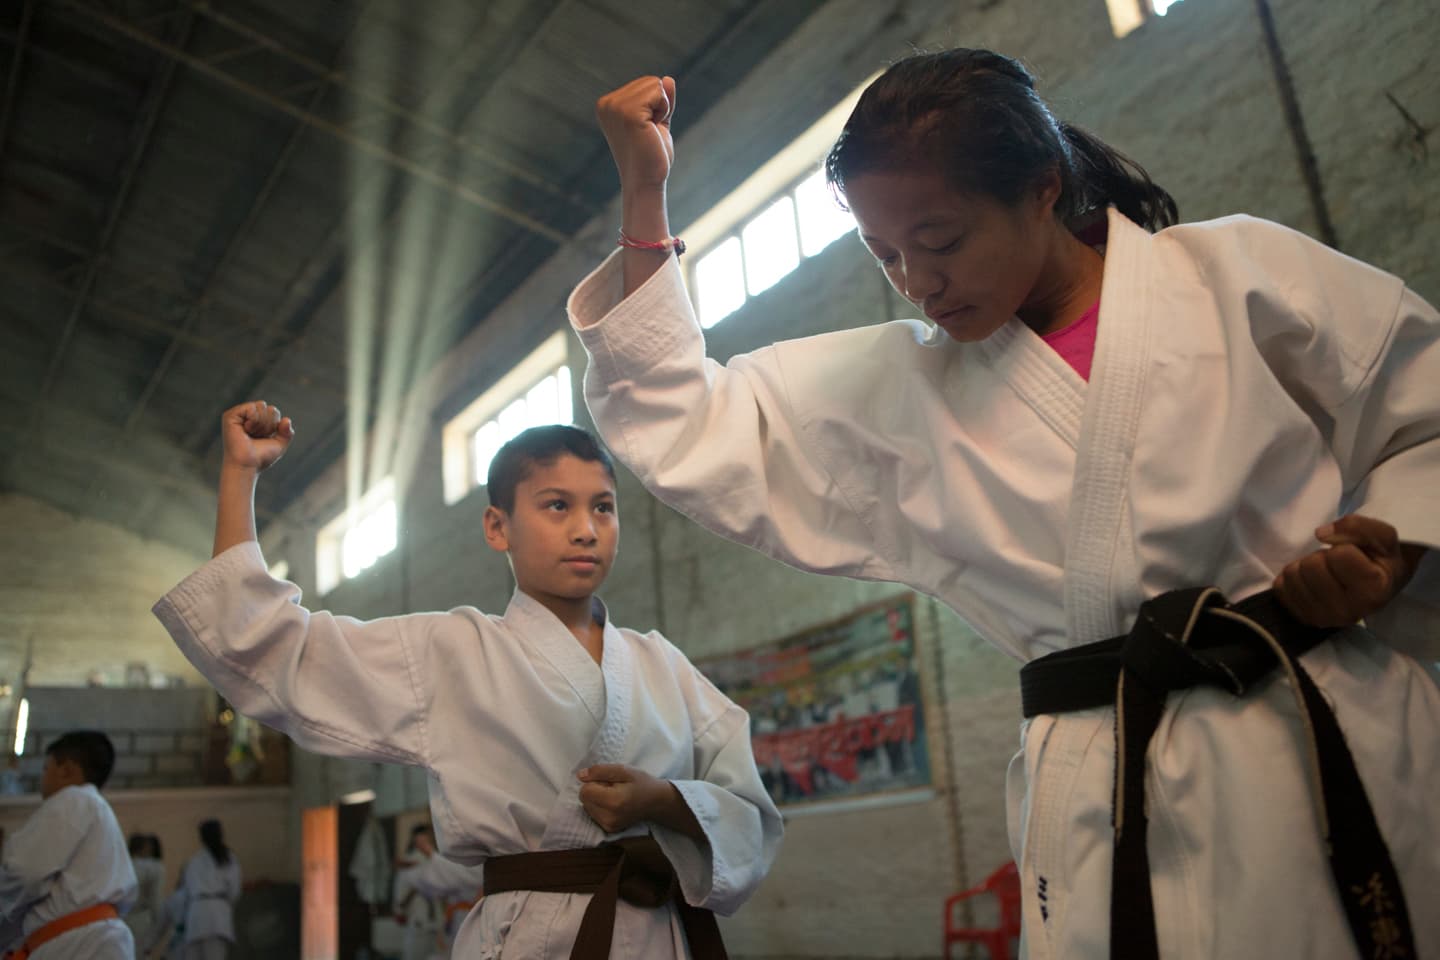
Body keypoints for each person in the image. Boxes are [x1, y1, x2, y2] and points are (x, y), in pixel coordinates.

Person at [570, 50, 1440, 960]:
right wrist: (643, 193)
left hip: (1320, 730)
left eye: (940, 240)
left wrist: (1390, 555)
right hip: (1108, 782)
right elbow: (680, 418)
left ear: (1041, 190)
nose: (916, 280)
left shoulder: (1235, 276)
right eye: (885, 254)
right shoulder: (901, 391)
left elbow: (1420, 415)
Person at [152, 416, 783, 959]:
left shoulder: (661, 665)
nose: (587, 528)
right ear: (496, 526)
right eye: (557, 505)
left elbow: (749, 813)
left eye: (604, 507)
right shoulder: (450, 651)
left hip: (657, 936)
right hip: (527, 938)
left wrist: (665, 801)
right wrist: (240, 476)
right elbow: (277, 646)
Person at [0, 731, 138, 958]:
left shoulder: (73, 798)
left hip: (77, 942)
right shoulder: (97, 810)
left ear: (66, 770)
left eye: (46, 768)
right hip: (95, 938)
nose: (42, 778)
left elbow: (25, 871)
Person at [176, 820, 241, 960]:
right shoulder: (228, 858)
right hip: (218, 915)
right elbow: (234, 891)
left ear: (201, 838)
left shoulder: (193, 861)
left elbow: (186, 893)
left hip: (196, 914)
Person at [391, 826, 442, 960]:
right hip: (419, 924)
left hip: (435, 924)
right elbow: (400, 905)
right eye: (422, 840)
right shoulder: (409, 862)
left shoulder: (436, 860)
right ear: (416, 841)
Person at [125, 834, 166, 955]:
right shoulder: (154, 867)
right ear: (144, 848)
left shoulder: (121, 864)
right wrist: (159, 921)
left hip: (119, 920)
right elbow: (155, 898)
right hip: (141, 919)